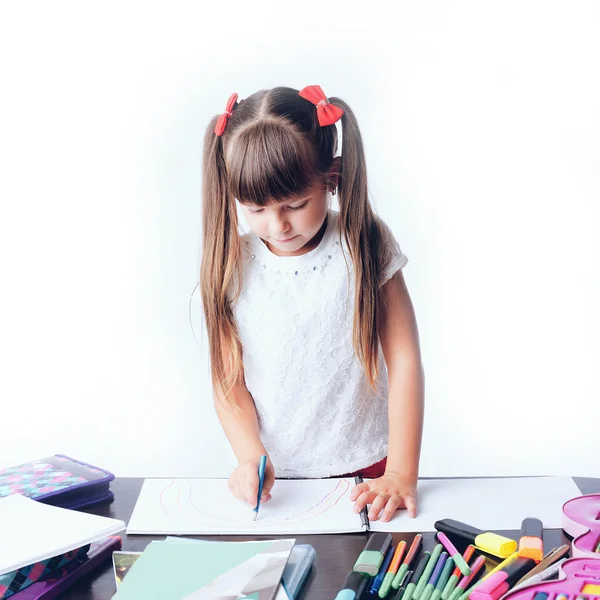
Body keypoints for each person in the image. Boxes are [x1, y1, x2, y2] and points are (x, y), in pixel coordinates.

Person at [200, 85, 424, 522]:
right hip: (276, 480)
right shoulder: (232, 265)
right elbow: (229, 381)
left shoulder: (364, 243)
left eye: (295, 204)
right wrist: (251, 458)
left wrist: (401, 473)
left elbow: (405, 361)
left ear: (331, 177)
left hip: (370, 472)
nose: (277, 224)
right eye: (256, 208)